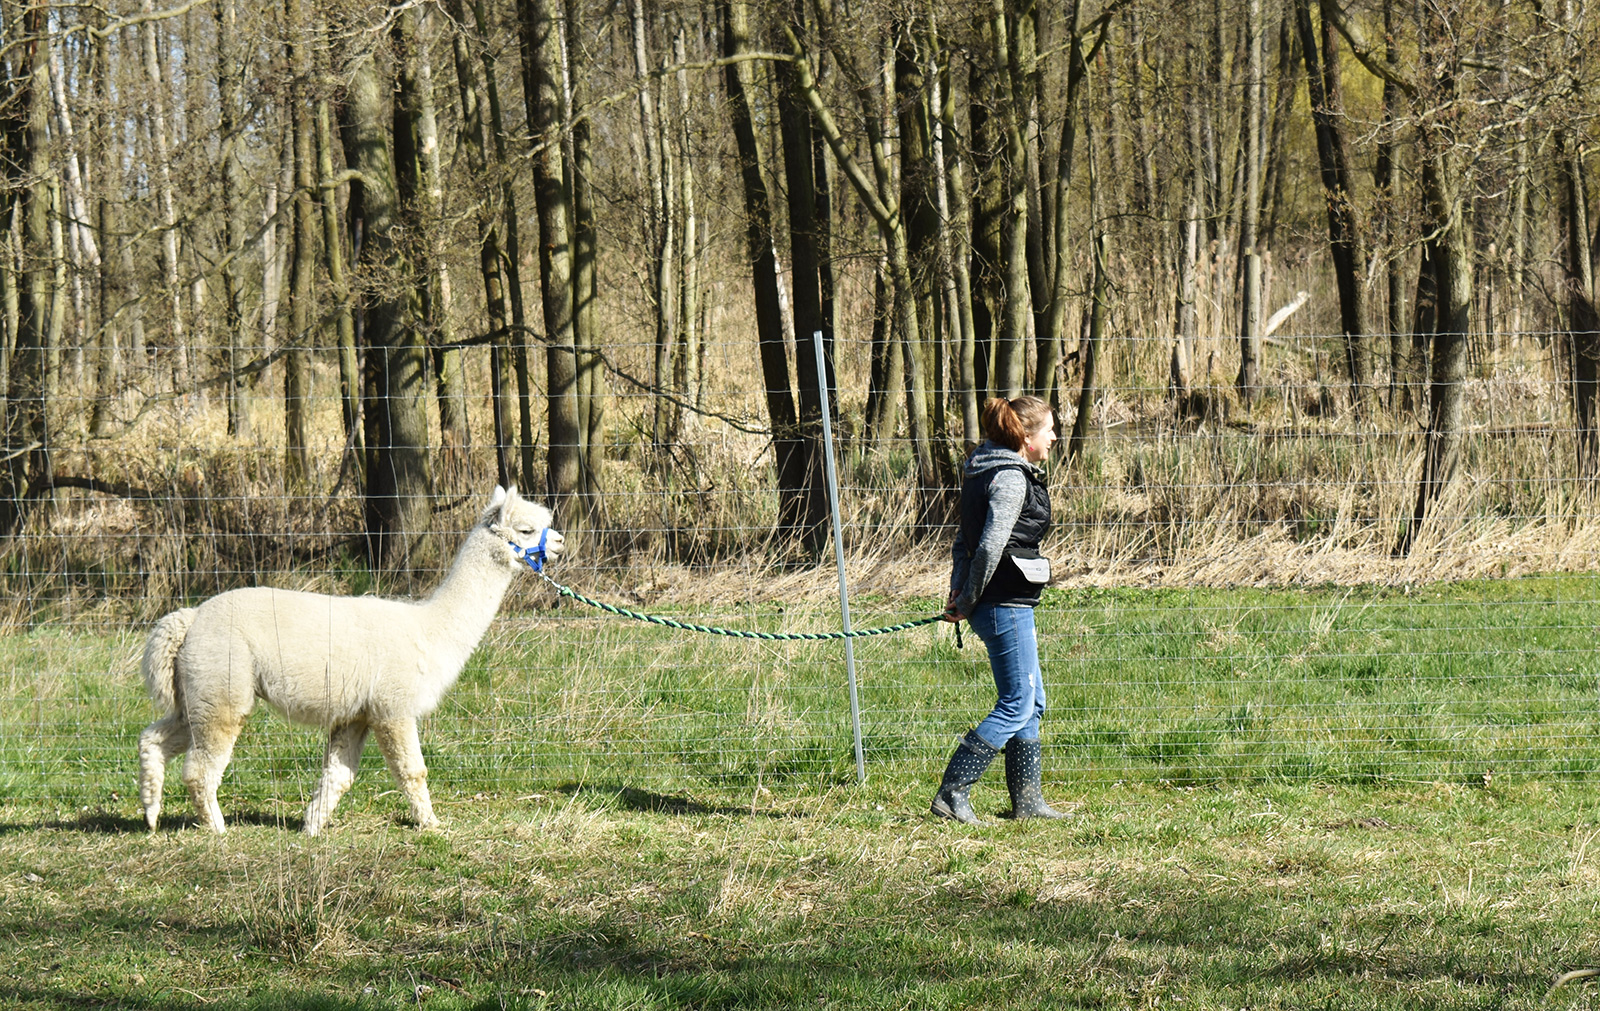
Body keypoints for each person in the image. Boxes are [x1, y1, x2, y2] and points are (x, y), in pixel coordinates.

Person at [932, 395, 1066, 824]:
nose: (1054, 436)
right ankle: (952, 793)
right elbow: (987, 546)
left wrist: (960, 591)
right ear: (1027, 438)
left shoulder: (984, 468)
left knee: (1032, 699)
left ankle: (1027, 801)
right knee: (1018, 700)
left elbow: (962, 540)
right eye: (1048, 430)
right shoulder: (1009, 478)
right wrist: (967, 597)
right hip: (1002, 602)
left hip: (1000, 599)